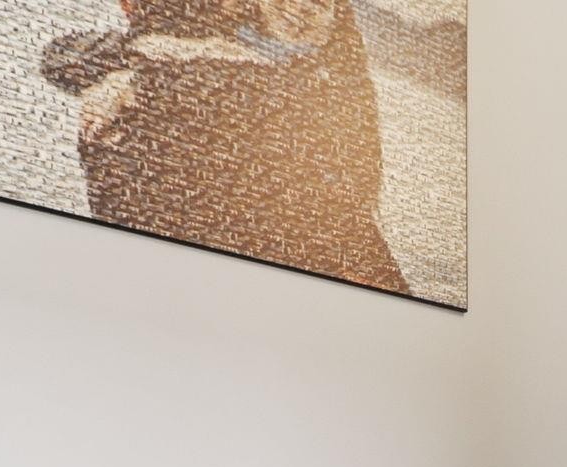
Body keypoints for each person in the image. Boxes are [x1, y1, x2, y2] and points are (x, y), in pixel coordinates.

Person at [42, 0, 407, 293]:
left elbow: (351, 112)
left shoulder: (301, 79)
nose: (301, 11)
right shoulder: (190, 62)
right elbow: (64, 56)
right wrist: (132, 66)